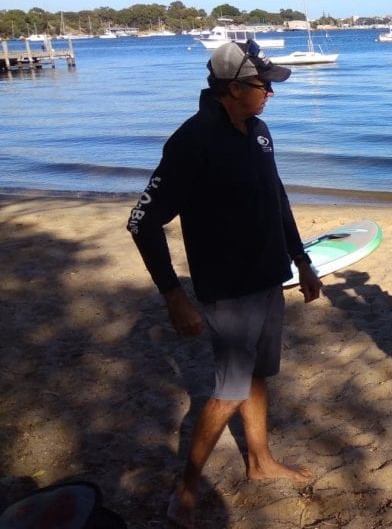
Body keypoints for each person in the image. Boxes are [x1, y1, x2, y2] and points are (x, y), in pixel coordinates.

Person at [127, 40, 322, 528]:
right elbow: (143, 222)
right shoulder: (192, 142)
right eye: (264, 86)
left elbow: (277, 198)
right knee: (229, 389)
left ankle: (259, 462)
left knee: (256, 377)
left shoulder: (258, 131)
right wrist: (174, 296)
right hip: (227, 289)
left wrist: (302, 260)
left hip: (267, 277)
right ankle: (186, 489)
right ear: (233, 88)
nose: (271, 93)